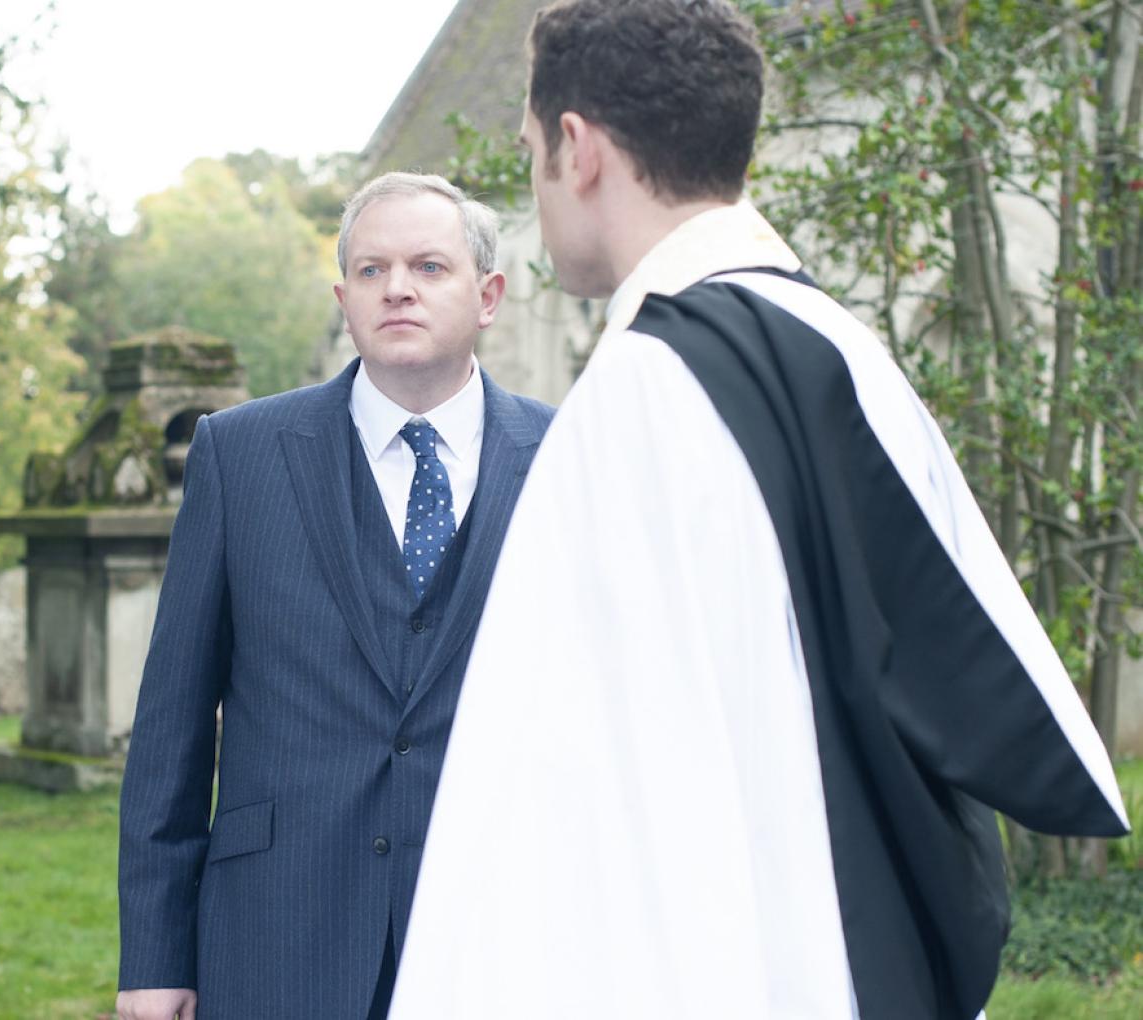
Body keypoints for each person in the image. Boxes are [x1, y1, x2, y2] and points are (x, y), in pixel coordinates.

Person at [389, 1, 1130, 1018]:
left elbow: (563, 822)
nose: (534, 188)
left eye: (528, 155)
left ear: (578, 147)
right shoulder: (844, 350)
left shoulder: (638, 394)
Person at [115, 171, 557, 1020]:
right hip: (279, 929)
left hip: (499, 932)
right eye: (371, 270)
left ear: (489, 294)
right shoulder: (238, 456)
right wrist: (153, 955)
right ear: (343, 299)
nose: (397, 288)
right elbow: (172, 718)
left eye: (429, 267)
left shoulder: (567, 455)